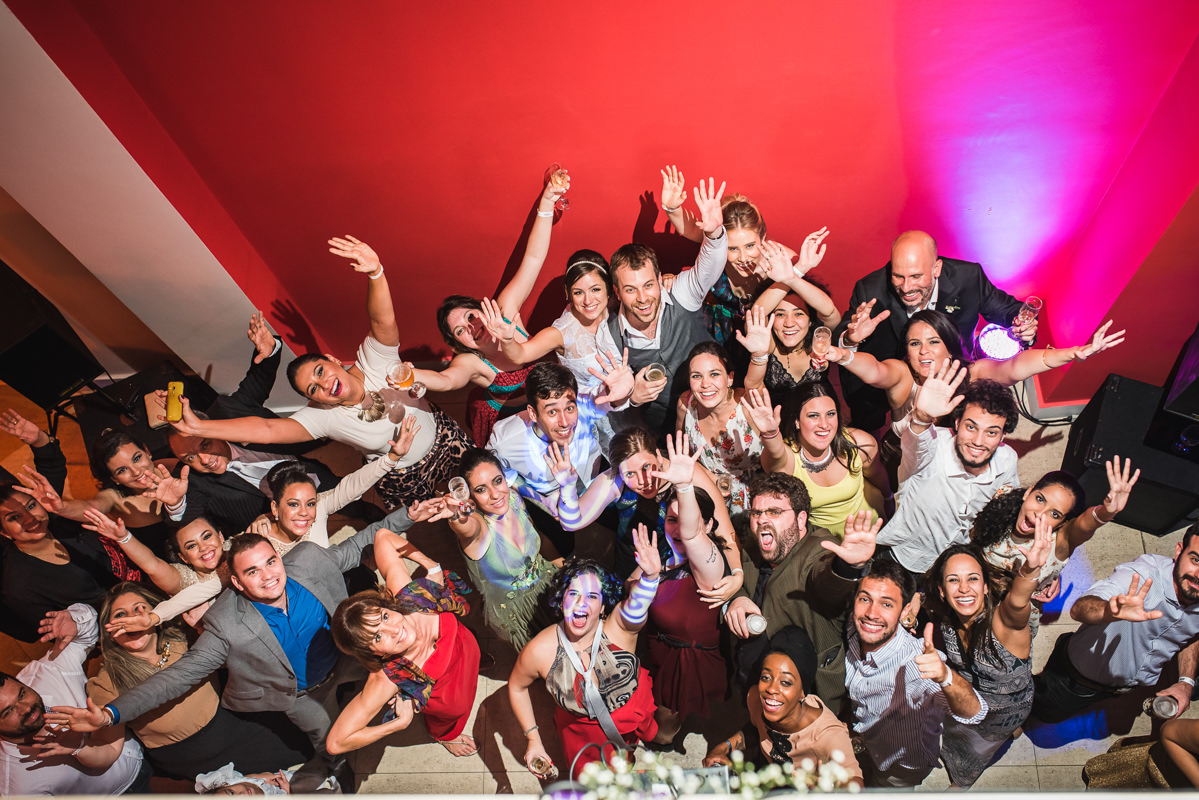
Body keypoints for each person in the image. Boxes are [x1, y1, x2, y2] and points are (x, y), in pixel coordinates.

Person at [46, 518, 421, 792]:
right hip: (303, 693)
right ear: (238, 582)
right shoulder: (225, 623)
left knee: (409, 667)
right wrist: (112, 712)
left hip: (345, 658)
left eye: (271, 562)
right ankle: (336, 772)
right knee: (328, 743)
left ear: (280, 558)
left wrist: (409, 515)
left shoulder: (306, 561)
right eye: (252, 572)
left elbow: (357, 544)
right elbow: (178, 676)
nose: (268, 576)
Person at [165, 235, 472, 513]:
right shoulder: (322, 417)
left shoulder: (374, 360)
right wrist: (201, 429)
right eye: (313, 389)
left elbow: (382, 321)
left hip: (444, 437)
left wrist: (375, 273)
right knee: (446, 514)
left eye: (320, 371)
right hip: (407, 475)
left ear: (332, 359)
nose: (324, 384)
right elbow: (267, 430)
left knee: (479, 486)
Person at [81, 583, 308, 779]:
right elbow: (108, 750)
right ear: (108, 631)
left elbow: (236, 662)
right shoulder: (106, 681)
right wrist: (75, 749)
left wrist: (200, 628)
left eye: (140, 609)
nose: (132, 619)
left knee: (306, 748)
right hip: (197, 758)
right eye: (120, 615)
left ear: (155, 617)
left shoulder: (181, 638)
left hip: (237, 722)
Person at [414, 171, 569, 445]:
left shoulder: (506, 310)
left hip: (547, 400)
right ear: (458, 344)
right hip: (511, 415)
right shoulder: (470, 361)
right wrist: (411, 375)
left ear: (484, 309)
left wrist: (546, 202)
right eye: (461, 330)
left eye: (470, 316)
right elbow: (448, 382)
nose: (472, 327)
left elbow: (533, 259)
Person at [827, 306, 1123, 441]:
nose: (924, 352)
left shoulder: (971, 372)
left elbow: (1015, 368)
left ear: (950, 346)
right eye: (915, 344)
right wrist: (842, 354)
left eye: (934, 342)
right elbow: (875, 371)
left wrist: (1073, 353)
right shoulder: (904, 375)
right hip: (903, 455)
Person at [834, 230, 1031, 432]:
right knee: (867, 419)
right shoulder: (870, 289)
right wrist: (850, 339)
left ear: (936, 268)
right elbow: (840, 335)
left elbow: (1009, 310)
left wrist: (1022, 324)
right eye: (898, 276)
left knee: (951, 424)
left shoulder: (969, 278)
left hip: (949, 369)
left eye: (916, 276)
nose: (906, 287)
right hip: (885, 371)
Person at [508, 528, 663, 780]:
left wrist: (651, 576)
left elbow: (637, 605)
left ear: (603, 607)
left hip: (632, 711)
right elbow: (516, 687)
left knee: (629, 753)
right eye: (574, 594)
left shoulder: (619, 629)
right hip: (583, 734)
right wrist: (533, 739)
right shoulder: (539, 650)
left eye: (592, 596)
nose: (582, 603)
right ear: (561, 602)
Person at [724, 471, 882, 710]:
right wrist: (737, 599)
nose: (762, 520)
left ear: (800, 519)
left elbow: (828, 579)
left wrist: (849, 566)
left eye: (775, 512)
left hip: (809, 694)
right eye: (757, 513)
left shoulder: (818, 549)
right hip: (758, 679)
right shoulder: (754, 546)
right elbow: (738, 578)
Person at [327, 530, 480, 757]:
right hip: (450, 702)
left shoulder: (410, 599)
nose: (395, 630)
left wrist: (433, 567)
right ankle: (444, 736)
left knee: (473, 658)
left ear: (387, 607)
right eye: (377, 637)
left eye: (385, 617)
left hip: (466, 648)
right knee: (448, 720)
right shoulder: (387, 678)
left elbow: (383, 537)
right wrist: (397, 724)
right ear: (371, 651)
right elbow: (336, 743)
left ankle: (476, 663)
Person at [595, 176, 728, 434]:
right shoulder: (607, 334)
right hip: (661, 430)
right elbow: (616, 397)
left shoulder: (680, 293)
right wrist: (632, 397)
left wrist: (713, 235)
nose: (643, 299)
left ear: (659, 278)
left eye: (648, 285)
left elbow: (709, 267)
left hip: (715, 413)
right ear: (617, 293)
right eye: (630, 290)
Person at [1031, 522, 1199, 724]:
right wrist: (1108, 611)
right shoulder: (1144, 575)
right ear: (1179, 550)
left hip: (1121, 687)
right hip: (1075, 680)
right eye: (1196, 560)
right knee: (1044, 710)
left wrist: (1186, 682)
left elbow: (1192, 636)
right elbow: (1080, 608)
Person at [659, 168, 837, 351]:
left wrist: (796, 271)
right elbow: (689, 229)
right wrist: (671, 208)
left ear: (763, 237)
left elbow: (821, 309)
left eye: (750, 246)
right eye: (732, 248)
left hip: (764, 341)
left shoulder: (786, 259)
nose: (743, 258)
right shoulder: (716, 244)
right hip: (718, 332)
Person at [846, 560, 987, 788]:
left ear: (904, 611)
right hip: (866, 744)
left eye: (887, 604)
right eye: (865, 599)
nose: (871, 613)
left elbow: (975, 712)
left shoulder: (914, 663)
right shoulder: (853, 629)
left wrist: (945, 677)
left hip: (900, 765)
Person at [628, 435, 729, 745]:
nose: (678, 528)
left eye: (688, 520)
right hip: (659, 651)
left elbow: (692, 534)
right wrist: (648, 575)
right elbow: (632, 602)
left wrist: (685, 486)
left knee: (672, 718)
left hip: (691, 664)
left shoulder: (709, 567)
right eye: (671, 520)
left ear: (709, 526)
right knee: (660, 717)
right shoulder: (662, 558)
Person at [875, 362, 1019, 577]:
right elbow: (916, 441)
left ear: (1002, 436)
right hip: (906, 559)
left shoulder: (1007, 459)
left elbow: (1007, 509)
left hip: (958, 565)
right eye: (971, 427)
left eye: (991, 432)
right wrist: (922, 417)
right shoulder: (934, 447)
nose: (978, 441)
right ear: (957, 423)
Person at [925, 537, 1048, 787]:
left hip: (1005, 710)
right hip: (969, 697)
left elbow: (1018, 602)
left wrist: (1029, 571)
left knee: (978, 750)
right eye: (953, 580)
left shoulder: (1003, 624)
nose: (963, 588)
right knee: (957, 730)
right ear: (941, 590)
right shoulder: (947, 617)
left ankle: (962, 783)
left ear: (984, 586)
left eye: (972, 578)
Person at [972, 458, 1139, 634]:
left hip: (1010, 622)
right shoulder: (1001, 502)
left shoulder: (1059, 542)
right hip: (968, 596)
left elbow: (1084, 525)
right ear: (1028, 492)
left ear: (1061, 523)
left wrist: (1106, 513)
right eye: (1039, 499)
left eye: (1054, 513)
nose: (1040, 513)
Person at [0, 604, 145, 795]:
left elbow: (88, 629)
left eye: (22, 694)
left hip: (141, 734)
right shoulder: (16, 787)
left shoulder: (45, 672)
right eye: (8, 711)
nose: (25, 708)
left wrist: (74, 620)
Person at [562, 427, 740, 581]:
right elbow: (571, 522)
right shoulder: (616, 480)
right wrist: (567, 488)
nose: (643, 481)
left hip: (685, 573)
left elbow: (727, 535)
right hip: (634, 572)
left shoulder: (687, 474)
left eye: (646, 467)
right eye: (630, 474)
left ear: (658, 456)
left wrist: (737, 576)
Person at [702, 626, 862, 787]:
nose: (771, 689)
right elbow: (757, 728)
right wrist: (723, 748)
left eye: (785, 682)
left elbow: (856, 785)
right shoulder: (756, 698)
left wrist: (831, 789)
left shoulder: (829, 735)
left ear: (802, 692)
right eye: (766, 677)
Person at [445, 448, 562, 650]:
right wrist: (456, 517)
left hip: (547, 584)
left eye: (497, 481)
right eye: (481, 489)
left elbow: (539, 537)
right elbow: (465, 528)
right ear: (470, 496)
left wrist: (561, 564)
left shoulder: (514, 500)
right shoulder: (479, 531)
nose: (495, 494)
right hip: (519, 614)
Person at [487, 359, 632, 519]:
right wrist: (542, 501)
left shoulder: (582, 405)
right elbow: (505, 475)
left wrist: (628, 391)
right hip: (552, 502)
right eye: (552, 412)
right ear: (533, 413)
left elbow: (611, 399)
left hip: (596, 481)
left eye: (569, 408)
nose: (564, 422)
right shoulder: (504, 442)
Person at [0, 463, 125, 643]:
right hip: (116, 631)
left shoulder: (64, 522)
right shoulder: (19, 587)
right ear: (3, 532)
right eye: (13, 517)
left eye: (31, 506)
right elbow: (64, 636)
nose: (30, 518)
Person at [751, 381, 885, 539]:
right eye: (813, 416)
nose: (824, 424)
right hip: (824, 547)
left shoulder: (859, 443)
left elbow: (880, 479)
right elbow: (775, 454)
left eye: (830, 414)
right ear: (797, 421)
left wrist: (890, 505)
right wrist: (770, 434)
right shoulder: (788, 459)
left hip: (874, 532)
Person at [675, 342, 765, 514]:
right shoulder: (685, 404)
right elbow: (684, 457)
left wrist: (759, 354)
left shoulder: (747, 404)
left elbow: (755, 381)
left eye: (714, 374)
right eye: (696, 376)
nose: (705, 384)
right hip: (708, 492)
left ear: (730, 378)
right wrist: (712, 481)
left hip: (756, 498)